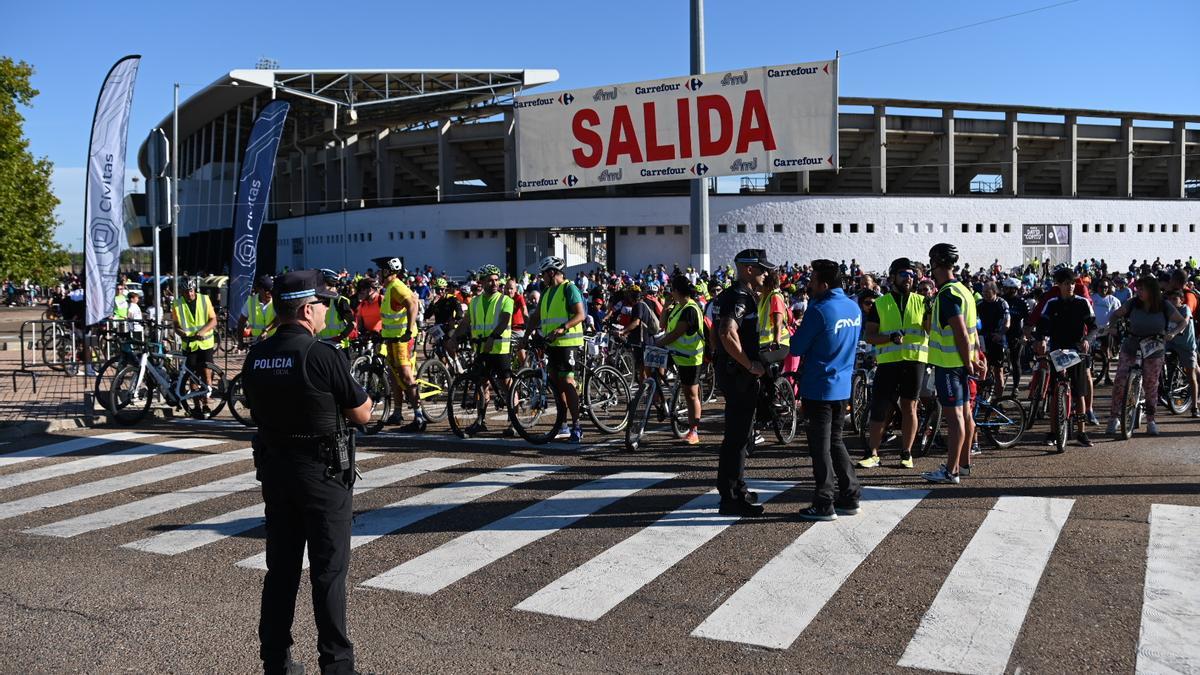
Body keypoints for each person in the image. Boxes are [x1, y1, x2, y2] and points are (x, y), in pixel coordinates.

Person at [242, 270, 372, 675]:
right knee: (328, 573)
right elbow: (362, 412)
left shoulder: (257, 355)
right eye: (321, 305)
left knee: (280, 570)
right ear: (305, 308)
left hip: (277, 471)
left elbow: (255, 406)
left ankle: (276, 662)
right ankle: (337, 666)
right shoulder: (322, 354)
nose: (324, 312)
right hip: (322, 474)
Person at [790, 259, 863, 521]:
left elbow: (796, 347)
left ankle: (824, 502)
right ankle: (851, 494)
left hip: (818, 386)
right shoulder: (853, 307)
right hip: (842, 385)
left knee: (820, 447)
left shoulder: (819, 310)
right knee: (835, 441)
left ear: (823, 284)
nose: (808, 286)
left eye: (811, 281)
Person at [712, 249, 774, 517]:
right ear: (748, 269)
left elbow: (718, 334)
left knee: (739, 436)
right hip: (739, 376)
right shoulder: (739, 296)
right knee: (737, 438)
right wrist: (748, 365)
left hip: (734, 373)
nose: (766, 274)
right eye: (762, 269)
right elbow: (726, 332)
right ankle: (731, 497)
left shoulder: (738, 295)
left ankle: (736, 486)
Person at [921, 244, 983, 485]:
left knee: (955, 416)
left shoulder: (947, 293)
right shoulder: (964, 290)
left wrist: (968, 361)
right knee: (965, 414)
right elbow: (973, 331)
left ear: (936, 263)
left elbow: (960, 332)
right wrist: (975, 358)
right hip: (960, 362)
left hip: (950, 365)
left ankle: (951, 471)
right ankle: (963, 464)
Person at [858, 257, 926, 470]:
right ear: (893, 277)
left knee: (910, 407)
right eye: (904, 274)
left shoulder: (923, 302)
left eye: (912, 275)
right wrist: (889, 338)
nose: (909, 278)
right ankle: (873, 453)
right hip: (888, 363)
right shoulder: (880, 303)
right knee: (879, 408)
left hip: (915, 361)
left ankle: (906, 453)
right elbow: (870, 336)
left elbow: (932, 330)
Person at [1106, 275, 1187, 436]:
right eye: (1138, 288)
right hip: (1131, 345)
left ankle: (1151, 420)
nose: (1139, 292)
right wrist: (1113, 326)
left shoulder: (1164, 305)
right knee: (1120, 381)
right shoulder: (1133, 303)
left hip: (1154, 349)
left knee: (1151, 385)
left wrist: (1172, 333)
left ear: (1152, 290)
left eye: (1142, 289)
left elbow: (1182, 322)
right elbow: (1115, 314)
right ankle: (1114, 418)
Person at [1032, 267, 1098, 447]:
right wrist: (1041, 339)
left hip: (1077, 351)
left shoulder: (1083, 303)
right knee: (1054, 392)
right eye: (1066, 283)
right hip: (1057, 350)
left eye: (1072, 283)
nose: (1070, 286)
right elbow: (1042, 325)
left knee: (1079, 393)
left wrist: (1087, 340)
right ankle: (1053, 432)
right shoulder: (1052, 303)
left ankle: (1081, 432)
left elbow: (1093, 327)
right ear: (1059, 285)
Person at [447, 264, 515, 436]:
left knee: (506, 386)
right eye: (489, 280)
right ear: (482, 282)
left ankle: (513, 422)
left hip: (500, 348)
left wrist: (493, 336)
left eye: (496, 280)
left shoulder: (505, 300)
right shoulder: (475, 301)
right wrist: (454, 338)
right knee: (480, 385)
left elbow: (505, 320)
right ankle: (480, 421)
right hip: (481, 349)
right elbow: (465, 322)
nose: (494, 283)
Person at [530, 256, 587, 443]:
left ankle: (577, 426)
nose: (541, 278)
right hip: (552, 344)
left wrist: (563, 327)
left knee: (567, 382)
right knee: (556, 385)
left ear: (552, 272)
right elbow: (536, 316)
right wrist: (525, 337)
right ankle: (563, 425)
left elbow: (580, 314)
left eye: (543, 274)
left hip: (567, 343)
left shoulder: (569, 288)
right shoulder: (546, 292)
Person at [374, 257, 425, 431]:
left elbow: (412, 305)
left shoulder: (396, 287)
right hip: (392, 339)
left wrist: (409, 331)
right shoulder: (389, 288)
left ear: (387, 271)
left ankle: (419, 417)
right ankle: (397, 413)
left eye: (379, 271)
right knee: (394, 376)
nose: (377, 274)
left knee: (405, 375)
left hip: (403, 339)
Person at [659, 274, 705, 445]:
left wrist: (659, 342)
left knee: (691, 394)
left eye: (672, 289)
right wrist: (665, 306)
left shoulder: (691, 309)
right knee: (651, 369)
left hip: (690, 357)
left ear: (676, 291)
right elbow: (662, 325)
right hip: (674, 353)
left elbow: (677, 332)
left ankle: (694, 431)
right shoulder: (678, 306)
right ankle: (661, 400)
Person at [172, 278, 218, 413]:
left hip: (205, 343)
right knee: (192, 376)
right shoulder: (177, 304)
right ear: (182, 292)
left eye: (191, 291)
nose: (189, 294)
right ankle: (197, 405)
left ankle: (206, 403)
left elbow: (213, 320)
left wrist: (202, 331)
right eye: (186, 292)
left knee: (206, 375)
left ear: (195, 290)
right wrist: (181, 333)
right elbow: (176, 325)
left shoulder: (204, 299)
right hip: (190, 345)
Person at [1165, 290, 1199, 419]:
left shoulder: (1185, 309)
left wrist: (1174, 332)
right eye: (1169, 299)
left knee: (1191, 375)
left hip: (1186, 346)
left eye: (1175, 299)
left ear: (1181, 300)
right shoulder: (1167, 311)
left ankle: (1194, 407)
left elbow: (1184, 322)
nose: (1172, 301)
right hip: (1170, 344)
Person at [977, 282, 1011, 393]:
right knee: (982, 368)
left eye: (987, 292)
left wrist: (1000, 334)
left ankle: (998, 399)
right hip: (983, 339)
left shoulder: (1002, 303)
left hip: (997, 339)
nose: (985, 294)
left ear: (994, 291)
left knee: (998, 371)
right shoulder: (979, 304)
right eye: (983, 292)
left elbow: (1007, 322)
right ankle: (981, 397)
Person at [1001, 278, 1030, 391]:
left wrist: (1024, 335)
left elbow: (1028, 320)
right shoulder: (1001, 300)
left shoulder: (1022, 302)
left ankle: (1015, 386)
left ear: (1014, 289)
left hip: (1016, 335)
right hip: (1002, 334)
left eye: (1007, 288)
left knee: (1015, 360)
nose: (1004, 290)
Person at [317, 269, 356, 347]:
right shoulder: (316, 301)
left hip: (338, 345)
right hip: (320, 344)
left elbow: (352, 323)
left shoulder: (340, 301)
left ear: (330, 284)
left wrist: (340, 337)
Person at [239, 275, 277, 346]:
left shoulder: (276, 300)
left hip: (274, 341)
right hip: (257, 342)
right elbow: (241, 322)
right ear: (260, 290)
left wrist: (266, 330)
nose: (270, 293)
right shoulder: (251, 301)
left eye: (271, 290)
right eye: (267, 291)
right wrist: (240, 341)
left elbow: (280, 318)